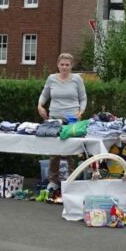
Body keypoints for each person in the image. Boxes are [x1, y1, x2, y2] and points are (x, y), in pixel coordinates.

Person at [37, 53, 88, 193]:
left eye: (67, 65)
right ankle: (53, 181)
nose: (64, 67)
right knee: (55, 152)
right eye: (62, 64)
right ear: (58, 65)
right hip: (54, 119)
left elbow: (83, 98)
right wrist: (40, 106)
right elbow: (44, 94)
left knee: (71, 151)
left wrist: (81, 112)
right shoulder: (51, 79)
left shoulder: (77, 79)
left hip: (72, 120)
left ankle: (71, 182)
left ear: (71, 66)